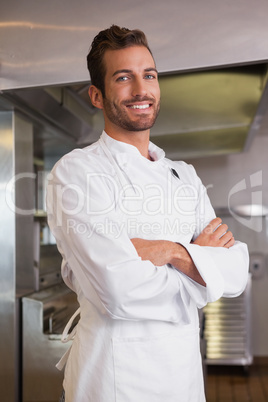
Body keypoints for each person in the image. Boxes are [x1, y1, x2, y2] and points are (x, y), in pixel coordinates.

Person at [47, 25, 249, 402]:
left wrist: (169, 252)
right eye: (123, 77)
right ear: (96, 95)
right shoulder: (77, 173)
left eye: (149, 75)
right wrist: (201, 269)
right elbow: (120, 292)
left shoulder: (183, 175)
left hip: (183, 378)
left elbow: (235, 271)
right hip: (114, 380)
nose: (141, 90)